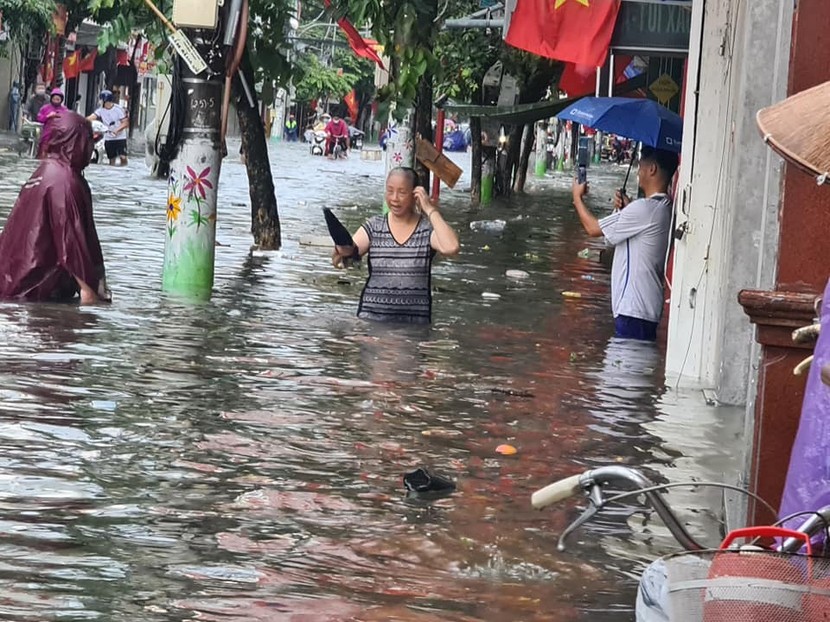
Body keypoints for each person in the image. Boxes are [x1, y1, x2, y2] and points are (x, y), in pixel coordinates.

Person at [0, 112, 110, 304]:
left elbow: (86, 237)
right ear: (76, 142)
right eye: (88, 140)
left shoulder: (45, 173)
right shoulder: (64, 182)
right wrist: (88, 290)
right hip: (33, 294)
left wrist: (99, 281)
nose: (91, 148)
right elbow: (71, 239)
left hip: (15, 288)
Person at [571, 146, 679, 341]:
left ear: (652, 169)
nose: (638, 171)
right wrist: (626, 209)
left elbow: (593, 229)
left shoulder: (644, 209)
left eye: (641, 166)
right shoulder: (663, 207)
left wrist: (577, 198)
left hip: (633, 310)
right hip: (645, 307)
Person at [331, 167, 460, 324]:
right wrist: (342, 251)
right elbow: (346, 257)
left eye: (402, 192)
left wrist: (429, 208)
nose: (394, 198)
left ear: (415, 195)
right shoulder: (374, 226)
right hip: (372, 322)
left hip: (414, 326)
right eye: (390, 191)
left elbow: (451, 247)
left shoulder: (426, 229)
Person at [87, 90, 129, 166]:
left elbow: (125, 123)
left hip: (120, 137)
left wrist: (117, 130)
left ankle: (124, 170)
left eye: (101, 100)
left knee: (123, 157)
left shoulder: (118, 109)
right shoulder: (100, 110)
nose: (100, 102)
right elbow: (91, 117)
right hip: (109, 138)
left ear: (105, 100)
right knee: (111, 159)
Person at [36, 88, 69, 157]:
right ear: (51, 99)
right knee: (43, 154)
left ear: (61, 100)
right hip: (46, 136)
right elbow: (39, 119)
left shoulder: (65, 110)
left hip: (59, 137)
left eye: (58, 99)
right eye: (54, 99)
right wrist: (48, 116)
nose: (56, 101)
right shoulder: (45, 108)